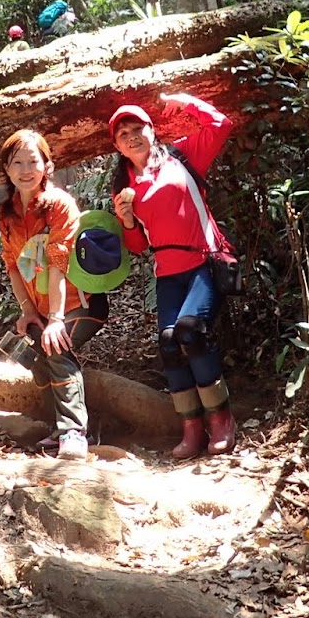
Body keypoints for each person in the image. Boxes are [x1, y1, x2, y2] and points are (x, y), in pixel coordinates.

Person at [108, 94, 237, 459]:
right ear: (117, 147)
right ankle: (191, 428)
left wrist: (184, 101)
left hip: (203, 262)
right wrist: (127, 220)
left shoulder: (181, 156)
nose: (132, 137)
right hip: (167, 274)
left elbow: (221, 125)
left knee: (190, 332)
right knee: (168, 342)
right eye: (123, 135)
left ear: (152, 130)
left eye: (138, 128)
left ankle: (221, 420)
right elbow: (137, 245)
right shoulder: (124, 185)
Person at [0, 130, 112, 460]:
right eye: (17, 163)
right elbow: (13, 266)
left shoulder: (59, 204)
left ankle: (75, 432)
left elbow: (58, 265)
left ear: (47, 165)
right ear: (6, 169)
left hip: (81, 304)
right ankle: (59, 428)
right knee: (32, 357)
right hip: (42, 309)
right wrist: (28, 312)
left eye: (33, 161)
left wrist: (56, 320)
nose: (25, 170)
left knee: (55, 346)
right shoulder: (7, 214)